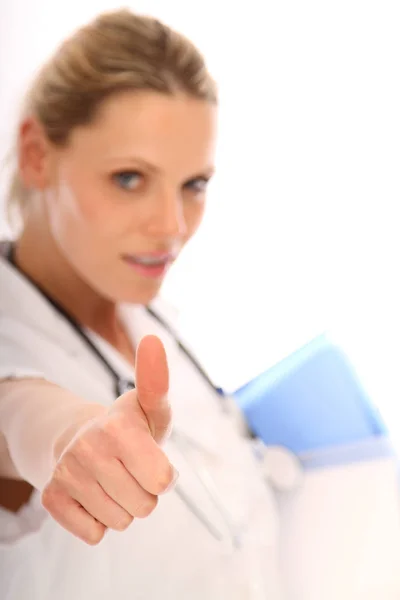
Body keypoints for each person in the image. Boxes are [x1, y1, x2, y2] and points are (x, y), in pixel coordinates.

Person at [0, 9, 283, 599]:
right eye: (129, 178)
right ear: (35, 154)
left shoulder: (146, 314)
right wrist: (65, 436)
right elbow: (19, 415)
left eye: (193, 185)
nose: (172, 226)